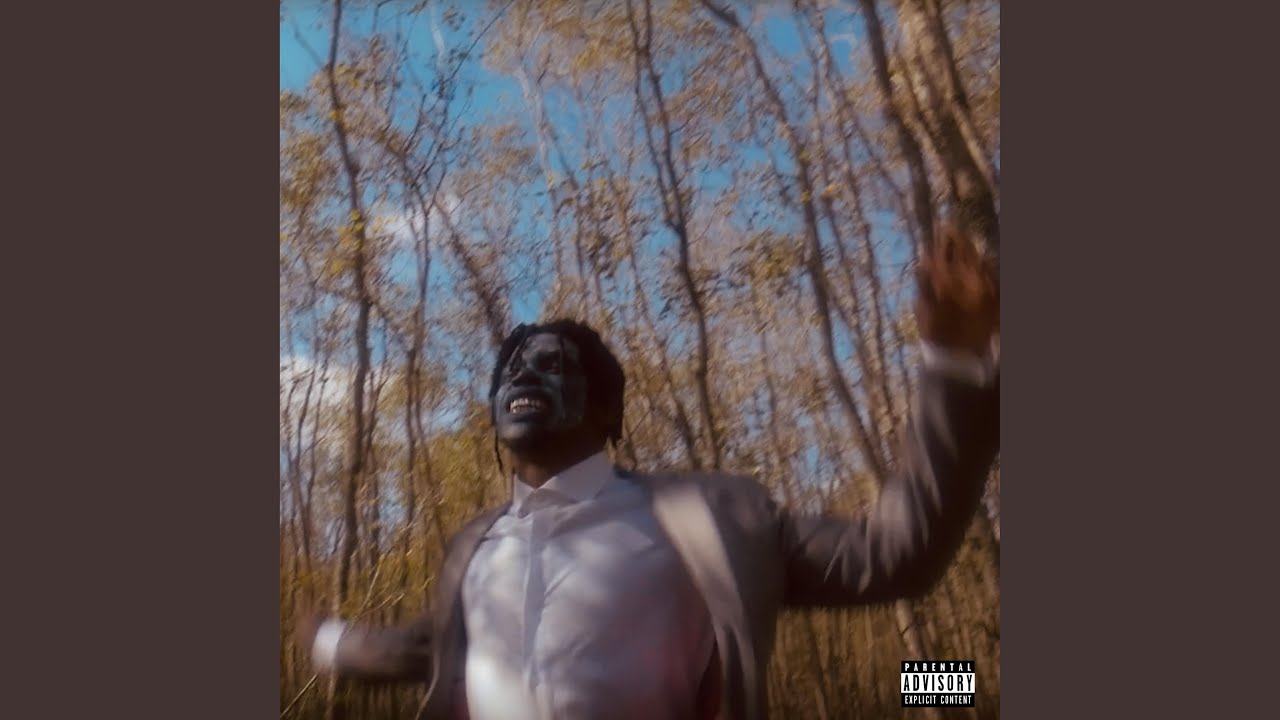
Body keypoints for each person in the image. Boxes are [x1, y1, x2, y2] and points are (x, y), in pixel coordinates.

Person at [298, 228, 1000, 720]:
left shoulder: (713, 523)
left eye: (550, 364)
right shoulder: (473, 546)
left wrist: (954, 364)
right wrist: (329, 644)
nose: (523, 377)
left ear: (608, 411)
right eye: (510, 368)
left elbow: (895, 553)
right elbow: (433, 643)